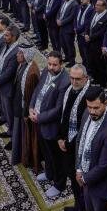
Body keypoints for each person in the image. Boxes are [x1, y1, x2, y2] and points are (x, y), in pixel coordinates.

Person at [29, 51, 69, 197]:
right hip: (39, 120)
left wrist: (39, 117)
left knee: (56, 157)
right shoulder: (46, 71)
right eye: (49, 63)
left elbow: (58, 110)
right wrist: (31, 107)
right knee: (46, 152)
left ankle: (59, 184)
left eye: (54, 65)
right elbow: (37, 90)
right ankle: (49, 173)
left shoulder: (65, 82)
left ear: (61, 64)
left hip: (52, 126)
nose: (51, 67)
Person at [57, 64, 90, 209]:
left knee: (80, 183)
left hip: (78, 147)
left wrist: (68, 144)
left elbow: (84, 129)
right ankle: (78, 206)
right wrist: (59, 138)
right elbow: (63, 115)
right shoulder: (69, 89)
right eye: (72, 78)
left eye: (78, 79)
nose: (74, 82)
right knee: (71, 178)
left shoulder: (89, 97)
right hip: (66, 142)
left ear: (85, 78)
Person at [11, 46, 41, 170]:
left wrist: (25, 113)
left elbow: (31, 97)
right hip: (19, 105)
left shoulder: (32, 72)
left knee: (25, 136)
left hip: (25, 110)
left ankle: (27, 159)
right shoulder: (23, 65)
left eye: (20, 53)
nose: (17, 55)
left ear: (26, 55)